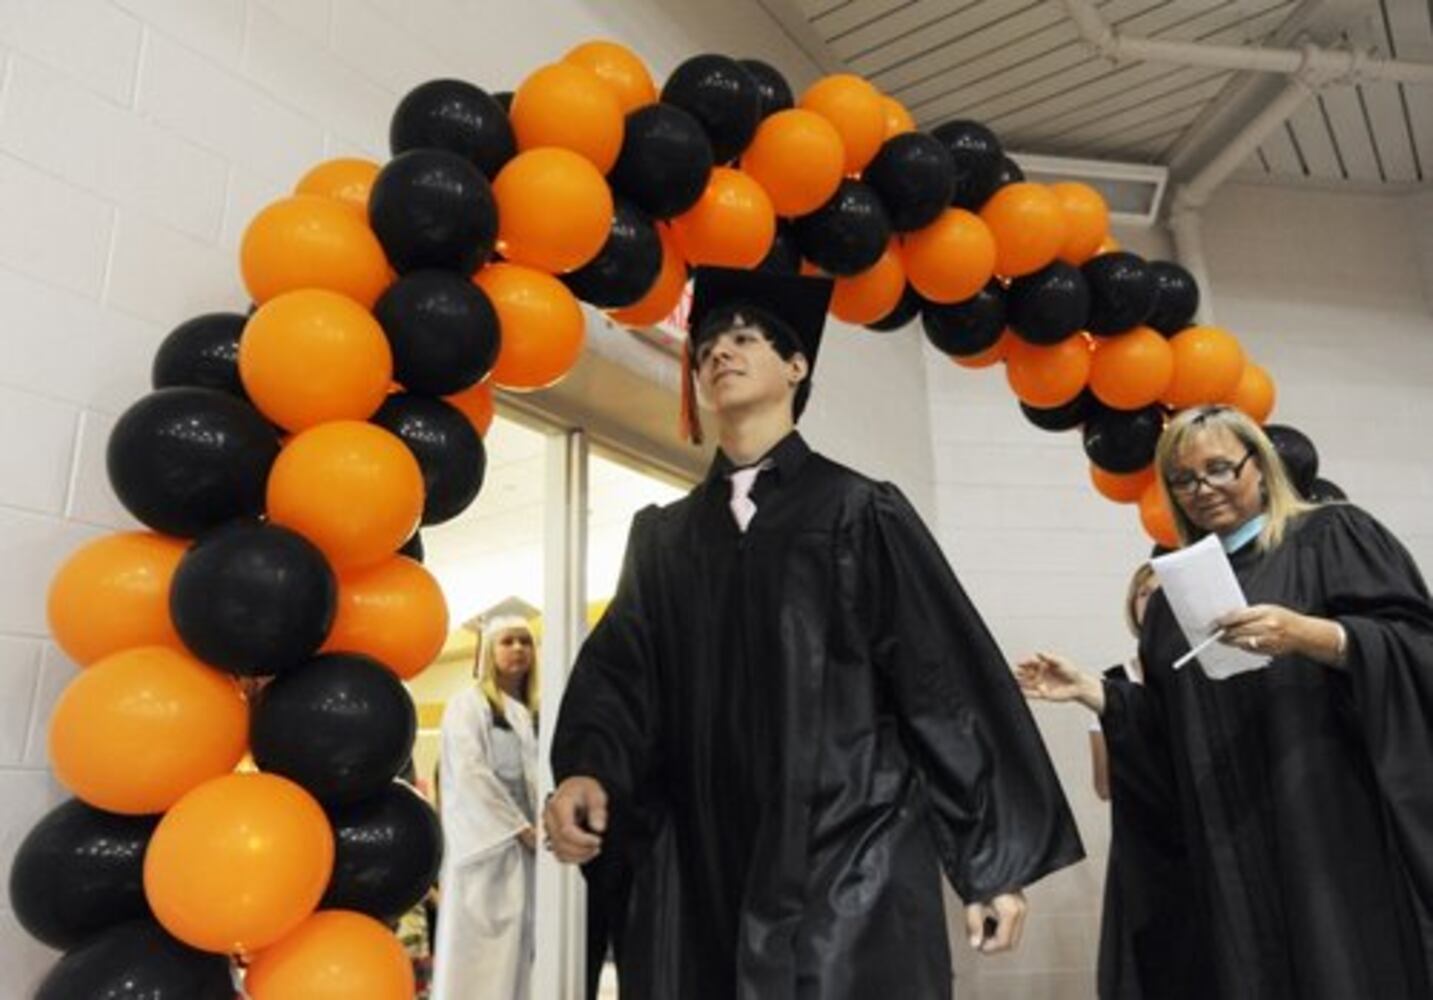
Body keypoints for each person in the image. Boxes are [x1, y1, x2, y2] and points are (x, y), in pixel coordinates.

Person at [544, 266, 1083, 999]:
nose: (717, 353)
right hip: (706, 855)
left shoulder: (859, 512)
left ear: (796, 366)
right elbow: (620, 678)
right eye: (704, 346)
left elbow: (939, 684)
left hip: (846, 842)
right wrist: (585, 768)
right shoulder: (663, 539)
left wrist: (989, 862)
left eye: (742, 338)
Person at [1017, 404, 1433, 999]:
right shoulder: (1169, 603)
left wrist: (1309, 635)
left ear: (1259, 467)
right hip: (1229, 843)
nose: (1202, 489)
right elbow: (1171, 736)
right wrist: (1101, 696)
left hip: (1328, 820)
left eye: (1218, 469)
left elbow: (1418, 648)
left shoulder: (1330, 538)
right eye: (1183, 480)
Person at [431, 615, 541, 1000]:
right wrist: (521, 829)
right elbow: (470, 773)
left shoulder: (528, 712)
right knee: (480, 961)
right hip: (486, 851)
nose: (517, 649)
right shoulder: (469, 705)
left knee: (522, 955)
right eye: (507, 641)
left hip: (528, 853)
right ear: (490, 651)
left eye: (525, 642)